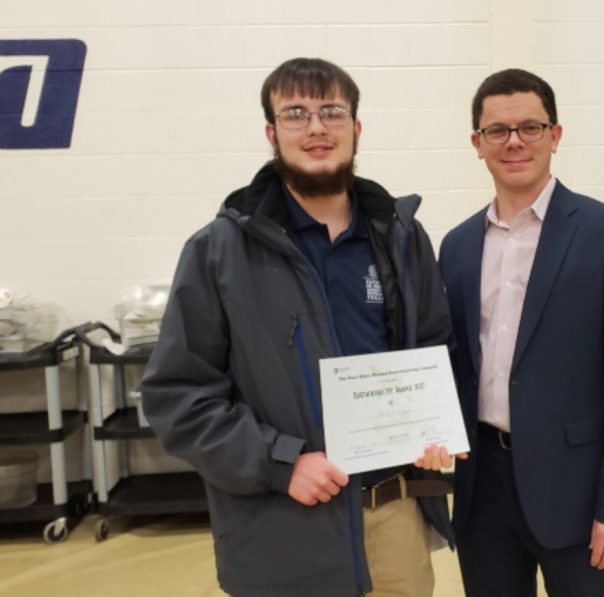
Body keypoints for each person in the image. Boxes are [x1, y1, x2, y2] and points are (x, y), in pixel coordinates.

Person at [140, 57, 455, 597]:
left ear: (356, 128)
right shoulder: (219, 251)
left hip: (395, 522)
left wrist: (436, 425)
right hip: (284, 527)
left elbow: (433, 350)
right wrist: (280, 463)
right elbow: (178, 398)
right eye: (296, 113)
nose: (316, 127)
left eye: (332, 111)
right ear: (271, 132)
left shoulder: (401, 238)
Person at [437, 69, 604, 597]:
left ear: (555, 136)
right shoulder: (457, 245)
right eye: (497, 131)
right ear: (477, 144)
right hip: (481, 489)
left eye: (530, 127)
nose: (514, 141)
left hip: (578, 493)